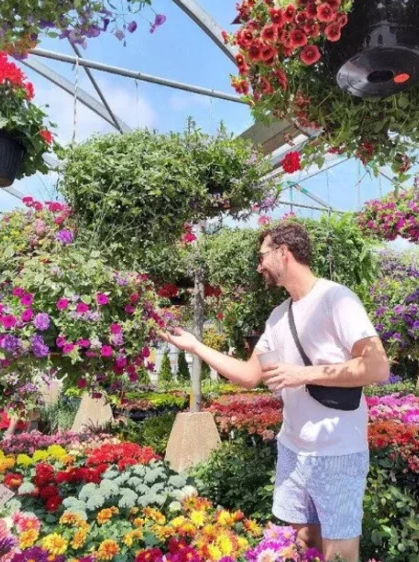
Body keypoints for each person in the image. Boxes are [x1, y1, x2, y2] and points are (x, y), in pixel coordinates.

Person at [159, 221, 389, 562]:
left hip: (337, 451)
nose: (259, 266)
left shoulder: (335, 299)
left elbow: (377, 367)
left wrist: (302, 374)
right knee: (304, 543)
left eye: (262, 256)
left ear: (284, 253)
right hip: (293, 448)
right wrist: (195, 346)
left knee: (339, 553)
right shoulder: (280, 316)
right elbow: (250, 375)